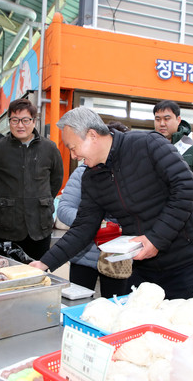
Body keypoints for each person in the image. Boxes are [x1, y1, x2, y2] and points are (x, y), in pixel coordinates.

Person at [30, 106, 193, 300]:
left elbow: (186, 188)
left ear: (92, 135)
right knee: (140, 322)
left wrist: (156, 239)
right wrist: (44, 264)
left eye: (72, 148)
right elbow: (83, 228)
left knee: (187, 324)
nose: (73, 156)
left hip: (188, 259)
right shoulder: (92, 178)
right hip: (144, 264)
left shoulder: (147, 144)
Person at [0, 99, 64, 260]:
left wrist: (41, 201)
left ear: (34, 121)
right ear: (9, 121)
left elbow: (55, 181)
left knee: (39, 274)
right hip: (7, 225)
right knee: (8, 274)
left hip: (40, 226)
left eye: (25, 120)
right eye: (15, 120)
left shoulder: (50, 148)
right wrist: (4, 203)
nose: (20, 125)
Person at [58, 121, 130, 298]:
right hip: (84, 255)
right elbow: (64, 209)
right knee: (80, 305)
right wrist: (96, 224)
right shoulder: (83, 172)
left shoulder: (130, 173)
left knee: (116, 304)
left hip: (118, 256)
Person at [153, 100, 193, 226]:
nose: (162, 123)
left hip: (186, 220)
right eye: (157, 119)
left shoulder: (192, 149)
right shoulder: (148, 146)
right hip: (155, 219)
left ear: (178, 120)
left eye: (167, 118)